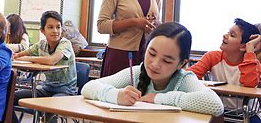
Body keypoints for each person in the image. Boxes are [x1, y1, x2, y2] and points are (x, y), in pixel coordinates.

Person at [81, 22, 224, 117]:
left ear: (181, 63)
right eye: (152, 54)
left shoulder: (183, 79)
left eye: (167, 60)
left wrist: (158, 98)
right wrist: (116, 95)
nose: (155, 64)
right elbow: (88, 88)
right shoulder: (136, 72)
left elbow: (215, 105)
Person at [12, 10, 77, 122]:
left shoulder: (65, 43)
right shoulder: (42, 45)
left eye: (58, 27)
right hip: (47, 89)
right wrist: (14, 55)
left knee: (49, 106)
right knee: (9, 96)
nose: (55, 31)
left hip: (66, 91)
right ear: (42, 30)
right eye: (50, 27)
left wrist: (29, 59)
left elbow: (52, 60)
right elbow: (18, 56)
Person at [186, 18, 261, 110]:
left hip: (247, 114)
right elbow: (189, 75)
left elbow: (249, 85)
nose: (225, 35)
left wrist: (250, 49)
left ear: (243, 46)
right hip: (219, 111)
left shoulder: (253, 63)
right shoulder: (212, 57)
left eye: (232, 35)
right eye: (228, 32)